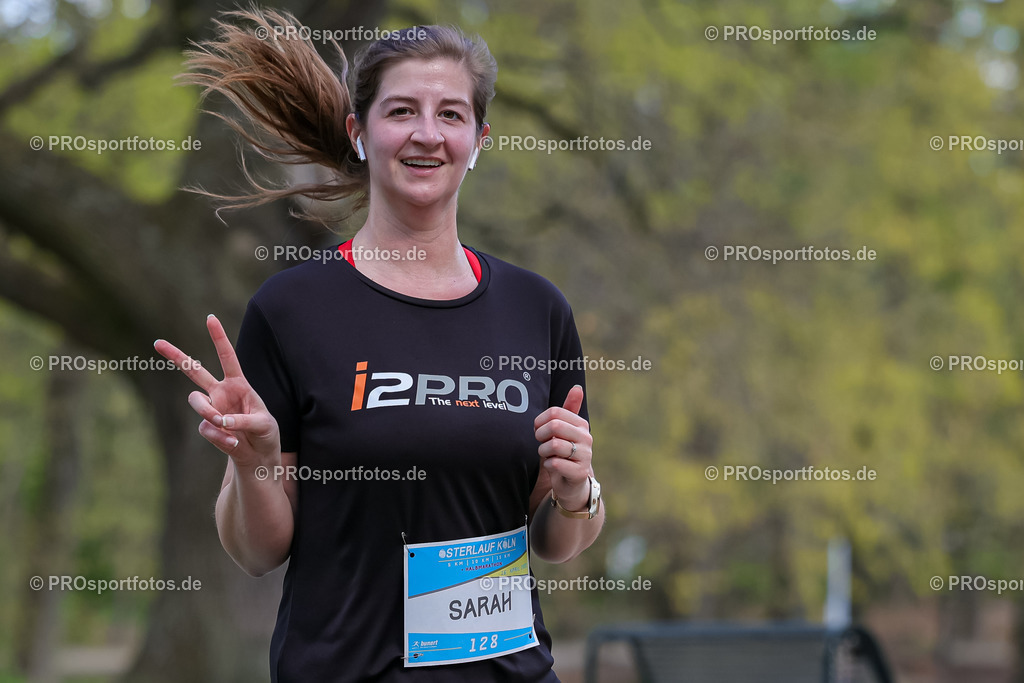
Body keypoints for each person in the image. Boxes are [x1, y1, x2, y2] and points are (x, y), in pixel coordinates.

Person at [154, 9, 604, 682]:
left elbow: (556, 539)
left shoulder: (535, 311)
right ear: (360, 133)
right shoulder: (292, 311)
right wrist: (256, 463)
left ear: (479, 139)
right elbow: (256, 551)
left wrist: (579, 492)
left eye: (451, 115)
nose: (428, 134)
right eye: (402, 111)